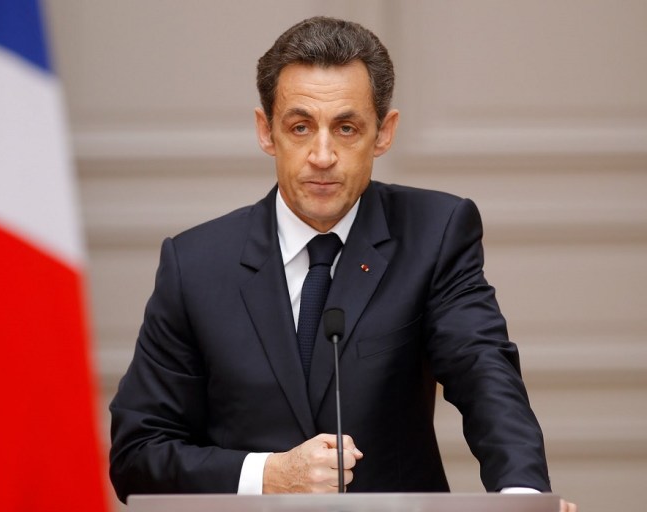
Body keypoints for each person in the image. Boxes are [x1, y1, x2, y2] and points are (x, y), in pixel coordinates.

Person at [109, 16, 576, 512]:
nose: (323, 154)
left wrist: (524, 498)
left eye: (347, 128)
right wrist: (268, 475)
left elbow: (483, 371)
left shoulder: (436, 232)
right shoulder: (196, 264)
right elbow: (139, 454)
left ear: (383, 133)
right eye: (300, 126)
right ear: (266, 132)